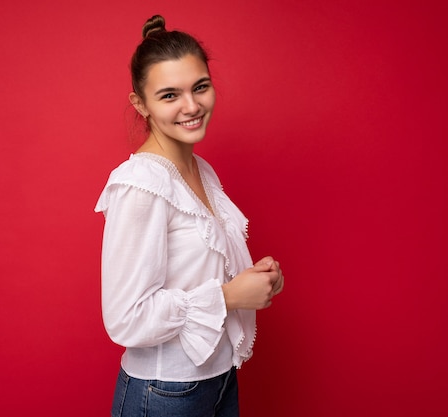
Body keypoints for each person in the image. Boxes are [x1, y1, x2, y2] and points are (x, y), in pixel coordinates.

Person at [94, 15, 284, 417]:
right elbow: (125, 318)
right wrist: (230, 296)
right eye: (169, 95)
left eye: (200, 87)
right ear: (140, 104)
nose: (192, 106)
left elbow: (196, 270)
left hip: (219, 379)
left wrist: (255, 279)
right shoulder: (140, 183)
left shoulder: (201, 170)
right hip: (166, 393)